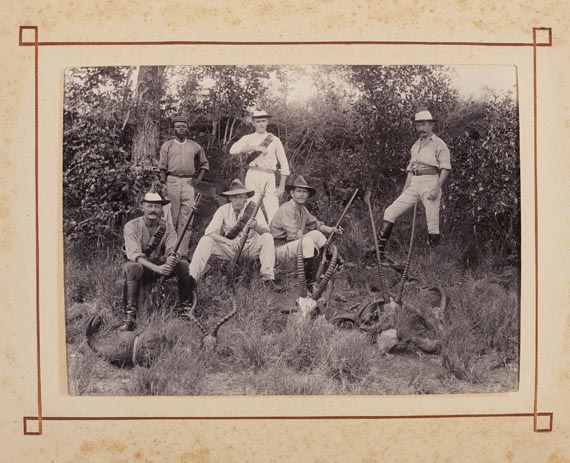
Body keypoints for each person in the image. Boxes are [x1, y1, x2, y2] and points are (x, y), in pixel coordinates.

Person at [378, 110, 451, 260]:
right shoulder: (415, 146)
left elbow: (445, 168)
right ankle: (379, 253)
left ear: (431, 125)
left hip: (431, 182)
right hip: (414, 183)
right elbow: (410, 171)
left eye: (423, 124)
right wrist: (404, 192)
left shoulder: (439, 144)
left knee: (432, 222)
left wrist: (437, 188)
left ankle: (433, 261)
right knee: (390, 212)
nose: (420, 129)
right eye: (418, 125)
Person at [188, 179, 283, 294]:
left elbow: (266, 231)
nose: (238, 200)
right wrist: (229, 242)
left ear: (246, 198)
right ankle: (191, 279)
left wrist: (256, 226)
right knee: (205, 240)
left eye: (241, 197)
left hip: (250, 248)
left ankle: (267, 279)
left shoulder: (254, 210)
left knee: (267, 238)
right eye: (235, 197)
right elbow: (210, 232)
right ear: (230, 198)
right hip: (230, 249)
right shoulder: (222, 210)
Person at [121, 189, 193, 331]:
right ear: (142, 207)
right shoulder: (131, 226)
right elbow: (134, 255)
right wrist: (158, 269)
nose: (153, 210)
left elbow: (173, 248)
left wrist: (172, 257)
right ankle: (130, 317)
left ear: (161, 209)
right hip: (141, 267)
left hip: (160, 264)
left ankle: (186, 311)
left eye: (157, 206)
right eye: (150, 206)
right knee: (132, 267)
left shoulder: (167, 227)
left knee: (183, 265)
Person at [270, 175, 343, 286]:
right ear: (292, 193)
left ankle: (337, 263)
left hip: (291, 245)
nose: (301, 194)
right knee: (308, 242)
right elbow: (293, 235)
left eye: (304, 192)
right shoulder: (287, 208)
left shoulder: (303, 209)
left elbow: (316, 224)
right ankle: (310, 282)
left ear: (308, 195)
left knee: (316, 234)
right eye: (298, 191)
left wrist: (331, 229)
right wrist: (309, 241)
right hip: (278, 249)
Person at [159, 115, 210, 259]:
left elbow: (204, 164)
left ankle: (182, 253)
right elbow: (162, 167)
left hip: (188, 183)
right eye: (178, 127)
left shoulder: (195, 146)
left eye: (183, 126)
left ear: (187, 128)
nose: (181, 129)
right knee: (171, 217)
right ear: (174, 129)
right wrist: (164, 184)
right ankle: (169, 252)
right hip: (172, 181)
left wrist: (198, 180)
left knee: (187, 218)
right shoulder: (167, 145)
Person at [229, 110, 290, 223]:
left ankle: (274, 235)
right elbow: (232, 150)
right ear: (253, 123)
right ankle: (254, 233)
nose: (261, 124)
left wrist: (281, 186)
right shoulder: (248, 138)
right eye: (258, 121)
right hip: (253, 174)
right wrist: (255, 148)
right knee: (252, 206)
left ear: (267, 122)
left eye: (263, 121)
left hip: (269, 175)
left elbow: (284, 163)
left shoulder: (275, 140)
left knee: (272, 207)